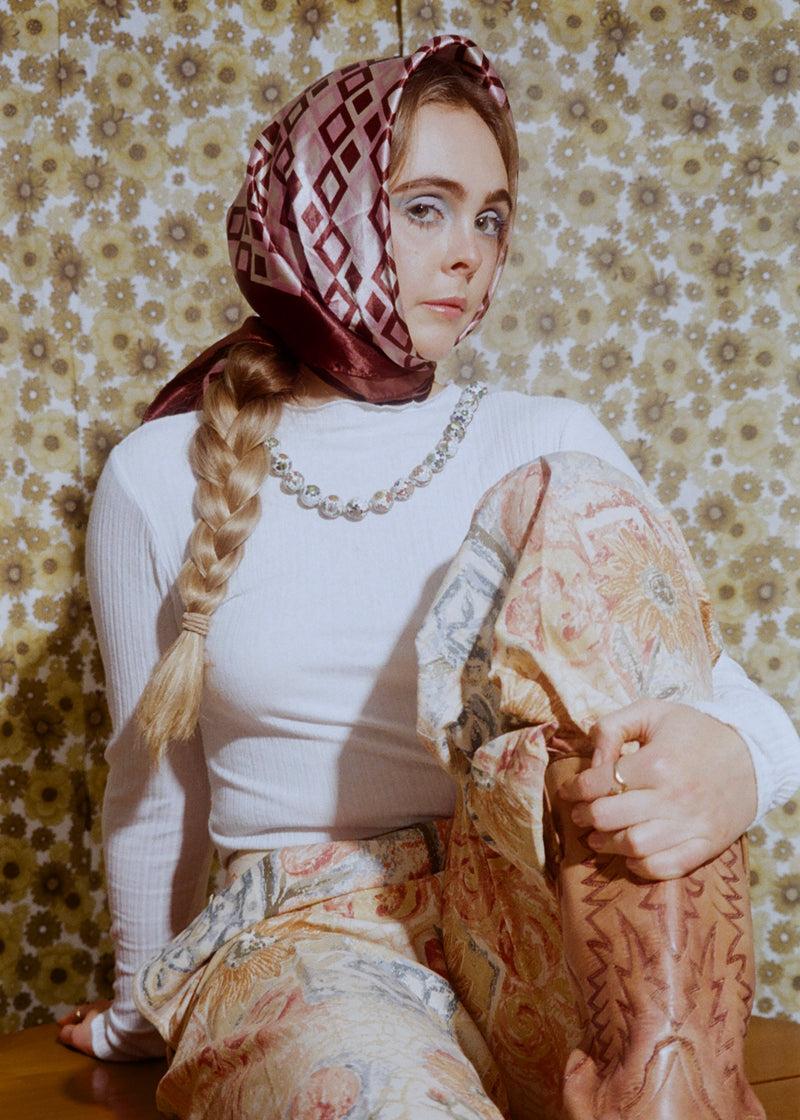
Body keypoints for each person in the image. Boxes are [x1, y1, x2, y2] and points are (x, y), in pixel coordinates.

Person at [57, 34, 798, 1120]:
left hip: (532, 907)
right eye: (424, 207)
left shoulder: (541, 440)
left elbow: (715, 692)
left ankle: (666, 1091)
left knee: (576, 485)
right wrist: (141, 998)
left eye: (490, 216)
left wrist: (738, 759)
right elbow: (153, 787)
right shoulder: (156, 475)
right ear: (316, 212)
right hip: (299, 932)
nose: (469, 253)